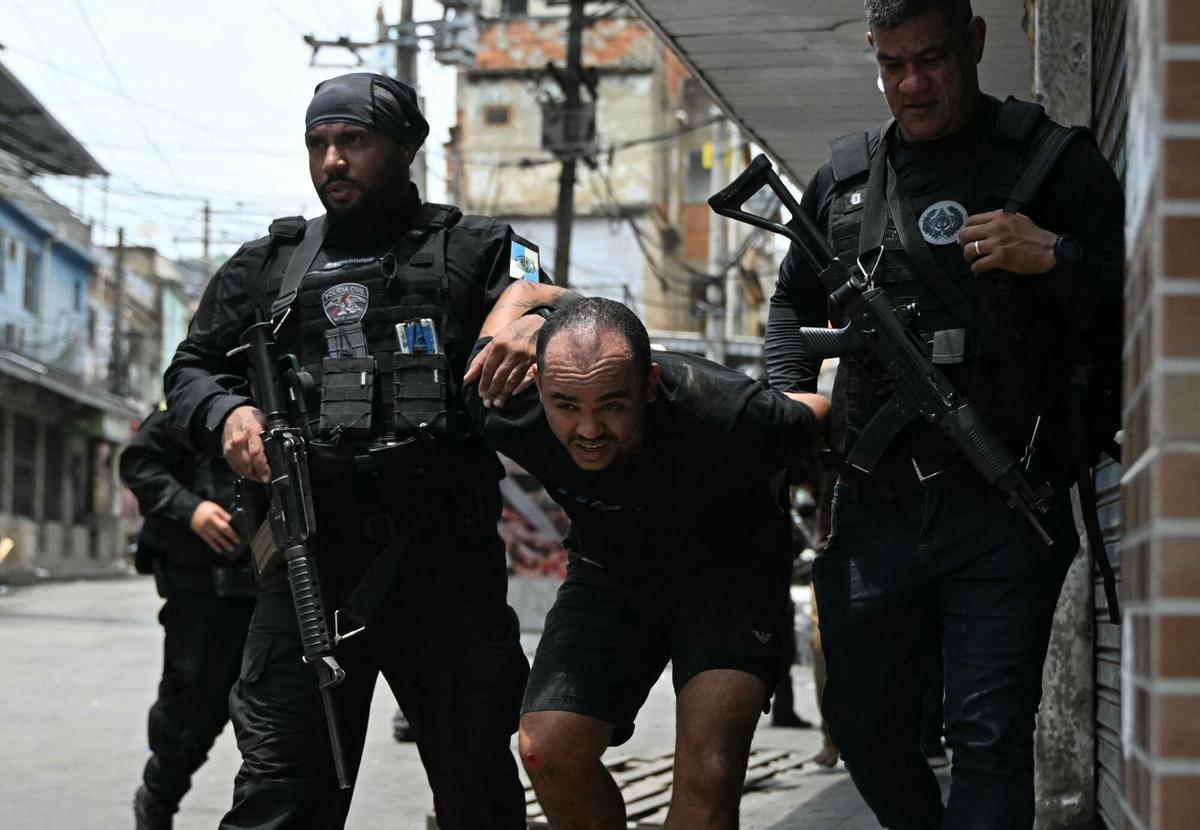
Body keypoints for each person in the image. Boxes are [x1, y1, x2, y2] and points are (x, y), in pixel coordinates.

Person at [163, 72, 574, 830]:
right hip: (308, 562)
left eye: (354, 140)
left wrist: (536, 321)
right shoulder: (269, 265)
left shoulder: (478, 250)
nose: (332, 161)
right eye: (318, 143)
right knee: (280, 795)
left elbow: (567, 312)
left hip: (442, 560)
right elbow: (189, 368)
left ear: (405, 147)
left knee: (477, 790)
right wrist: (228, 412)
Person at [765, 1, 1123, 827]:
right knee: (860, 725)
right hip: (874, 507)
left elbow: (1144, 298)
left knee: (988, 736)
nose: (913, 84)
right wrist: (792, 393)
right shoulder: (847, 181)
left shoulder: (1052, 163)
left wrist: (1055, 256)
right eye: (893, 65)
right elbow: (791, 298)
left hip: (1002, 504)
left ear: (976, 42)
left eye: (932, 59)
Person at [464, 297, 830, 829]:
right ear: (539, 385)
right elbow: (521, 293)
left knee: (709, 774)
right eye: (566, 405)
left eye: (612, 405)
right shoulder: (501, 395)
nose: (588, 429)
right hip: (611, 573)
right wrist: (534, 320)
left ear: (650, 383)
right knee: (547, 750)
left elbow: (816, 412)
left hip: (731, 579)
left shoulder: (729, 411)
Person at [119, 403, 257, 830]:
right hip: (201, 589)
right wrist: (190, 509)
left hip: (274, 584)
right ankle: (158, 796)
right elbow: (139, 462)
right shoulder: (194, 396)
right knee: (190, 709)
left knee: (272, 722)